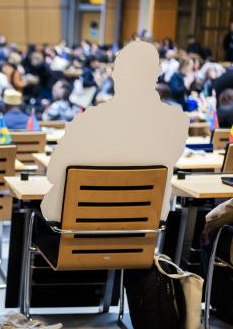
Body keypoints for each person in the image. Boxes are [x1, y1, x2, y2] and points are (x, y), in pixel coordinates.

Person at [41, 41, 188, 223]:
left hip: (82, 228)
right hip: (141, 227)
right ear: (156, 76)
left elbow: (52, 173)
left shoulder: (88, 121)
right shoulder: (177, 122)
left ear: (117, 76)